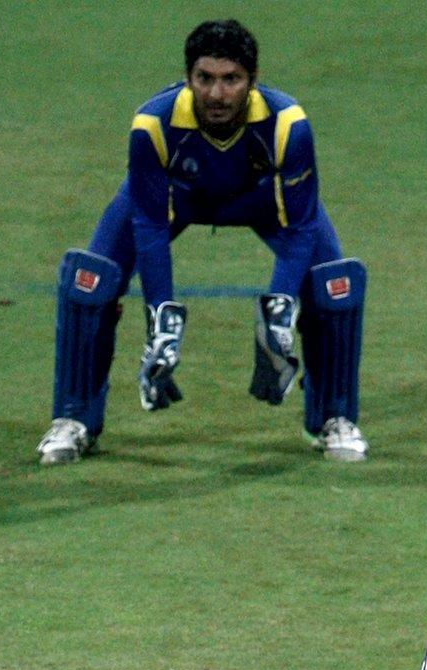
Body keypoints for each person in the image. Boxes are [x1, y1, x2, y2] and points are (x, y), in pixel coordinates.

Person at [37, 19, 367, 468]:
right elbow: (150, 226)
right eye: (205, 79)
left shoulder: (288, 124)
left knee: (335, 286)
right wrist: (161, 321)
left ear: (253, 80)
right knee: (90, 281)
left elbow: (302, 224)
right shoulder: (153, 123)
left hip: (261, 202)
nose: (216, 94)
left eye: (231, 79)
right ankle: (73, 420)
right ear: (188, 77)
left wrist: (280, 308)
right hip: (178, 199)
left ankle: (333, 419)